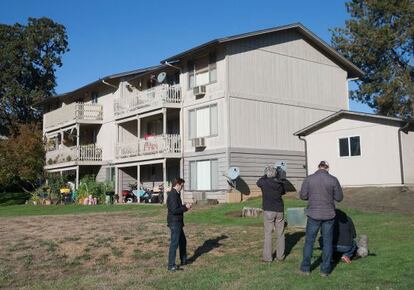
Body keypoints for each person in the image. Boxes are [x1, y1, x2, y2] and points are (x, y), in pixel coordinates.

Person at [299, 161, 343, 276]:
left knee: (309, 242)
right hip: (329, 214)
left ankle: (305, 269)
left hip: (313, 214)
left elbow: (303, 196)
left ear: (318, 167)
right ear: (327, 168)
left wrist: (312, 195)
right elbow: (339, 198)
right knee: (328, 242)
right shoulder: (333, 179)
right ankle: (325, 270)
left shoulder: (309, 179)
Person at [256, 165, 286, 262]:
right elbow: (283, 192)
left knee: (268, 233)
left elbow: (258, 182)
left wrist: (265, 175)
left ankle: (268, 258)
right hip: (279, 210)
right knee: (280, 233)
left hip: (269, 210)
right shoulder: (279, 183)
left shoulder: (264, 182)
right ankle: (280, 257)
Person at [167, 178, 192, 272]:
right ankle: (171, 265)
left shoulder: (176, 194)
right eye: (182, 185)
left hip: (178, 222)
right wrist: (185, 208)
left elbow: (177, 207)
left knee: (183, 241)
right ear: (177, 184)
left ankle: (184, 260)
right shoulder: (173, 195)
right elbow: (174, 210)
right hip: (174, 223)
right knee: (174, 243)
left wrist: (184, 206)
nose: (182, 187)